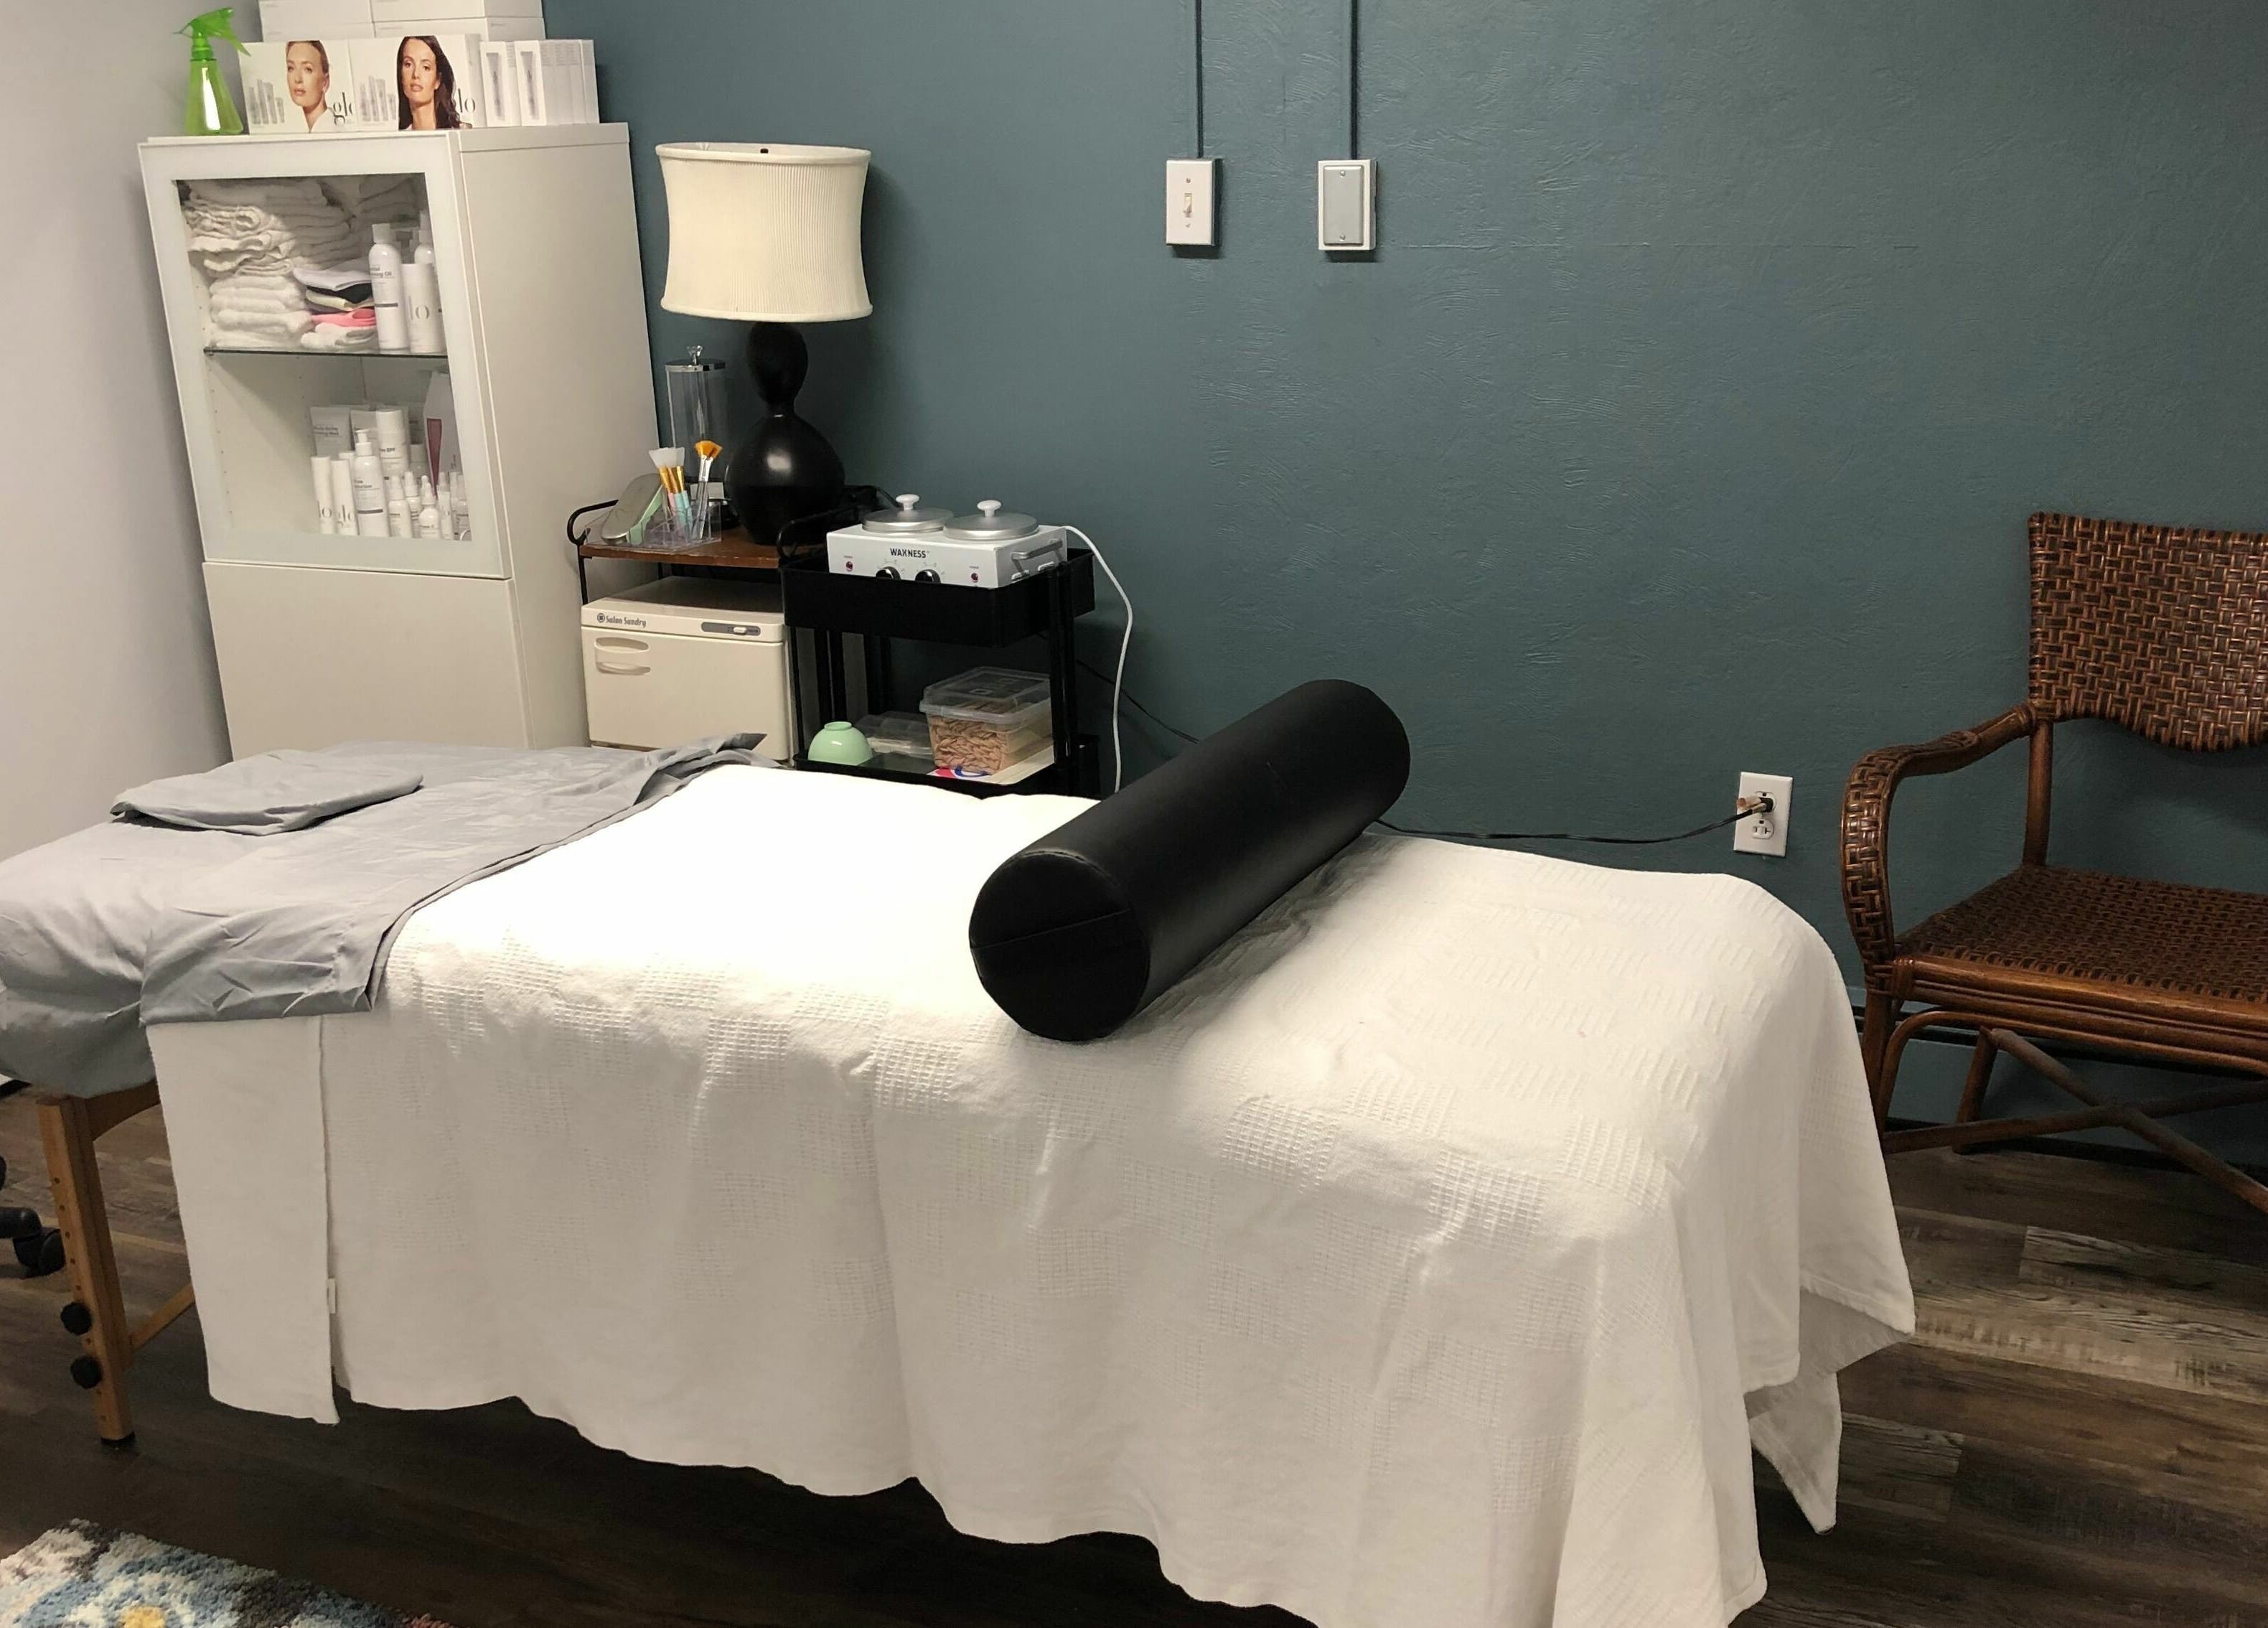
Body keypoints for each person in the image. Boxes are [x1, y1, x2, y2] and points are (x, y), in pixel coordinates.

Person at [396, 35, 463, 131]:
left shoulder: (460, 132)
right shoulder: (397, 140)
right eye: (408, 64)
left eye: (426, 67)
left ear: (438, 80)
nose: (416, 74)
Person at [284, 39, 330, 131]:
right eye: (291, 68)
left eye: (308, 69)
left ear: (325, 82)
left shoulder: (331, 131)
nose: (297, 79)